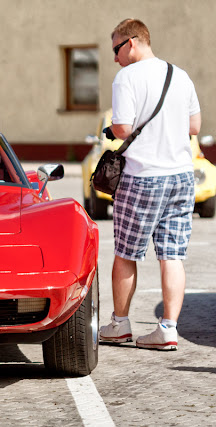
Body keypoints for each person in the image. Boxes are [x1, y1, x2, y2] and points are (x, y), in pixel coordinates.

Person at [99, 19, 201, 350]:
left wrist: (113, 129)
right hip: (181, 176)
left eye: (116, 49)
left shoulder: (126, 77)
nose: (115, 58)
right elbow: (195, 126)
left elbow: (124, 128)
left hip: (142, 177)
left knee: (126, 253)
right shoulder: (180, 75)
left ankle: (120, 325)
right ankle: (168, 329)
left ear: (131, 42)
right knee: (172, 255)